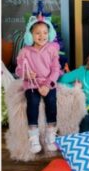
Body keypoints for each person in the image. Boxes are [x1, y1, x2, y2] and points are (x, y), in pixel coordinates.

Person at [14, 18, 61, 154]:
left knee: (51, 102)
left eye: (45, 33)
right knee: (33, 103)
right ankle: (33, 136)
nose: (42, 36)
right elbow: (18, 70)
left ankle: (50, 134)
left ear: (49, 33)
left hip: (48, 82)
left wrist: (48, 85)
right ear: (30, 35)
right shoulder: (25, 52)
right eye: (37, 33)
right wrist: (27, 75)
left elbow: (55, 69)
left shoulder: (52, 49)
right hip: (32, 84)